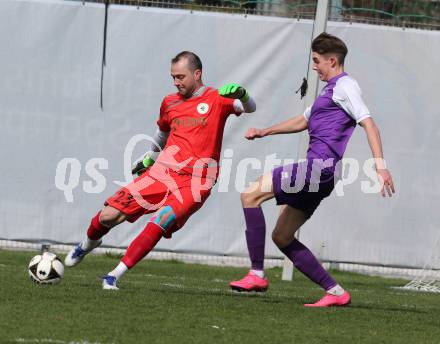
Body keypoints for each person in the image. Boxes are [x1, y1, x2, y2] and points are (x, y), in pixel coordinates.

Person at [65, 51, 256, 290]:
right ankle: (87, 244)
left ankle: (114, 275)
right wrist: (150, 157)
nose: (176, 82)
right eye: (173, 77)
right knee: (109, 215)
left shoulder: (216, 98)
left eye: (180, 76)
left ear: (197, 74)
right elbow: (162, 134)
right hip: (163, 172)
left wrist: (243, 94)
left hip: (198, 180)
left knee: (162, 219)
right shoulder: (170, 102)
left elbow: (250, 108)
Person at [229, 32, 395, 307]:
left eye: (317, 61)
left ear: (332, 60)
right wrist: (264, 131)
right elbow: (302, 121)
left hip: (318, 168)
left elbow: (370, 124)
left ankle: (257, 274)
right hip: (323, 175)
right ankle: (336, 292)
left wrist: (381, 167)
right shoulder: (329, 92)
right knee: (282, 236)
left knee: (250, 195)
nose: (314, 66)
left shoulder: (346, 87)